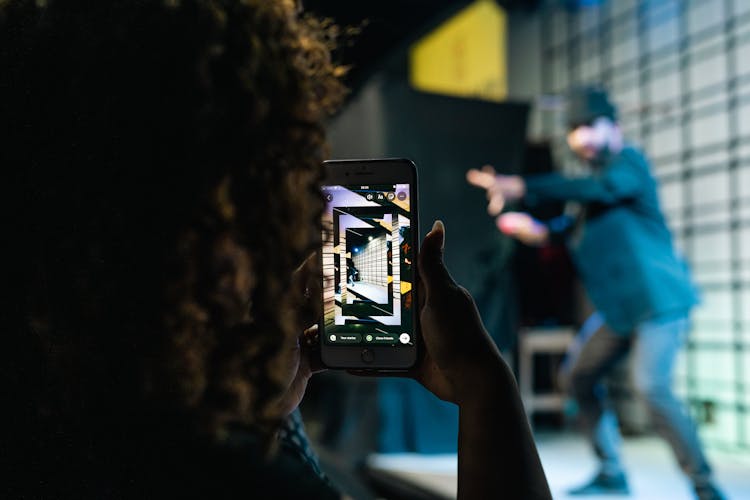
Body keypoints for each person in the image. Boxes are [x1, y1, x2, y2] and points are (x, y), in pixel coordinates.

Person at [1, 1, 551, 498]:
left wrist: (264, 418)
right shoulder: (205, 467)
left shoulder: (51, 414)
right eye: (256, 186)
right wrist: (486, 393)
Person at [467, 86, 725, 500]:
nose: (581, 137)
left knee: (652, 388)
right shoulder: (593, 188)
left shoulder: (628, 166)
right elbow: (574, 227)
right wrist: (539, 231)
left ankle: (706, 487)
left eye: (589, 126)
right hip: (619, 311)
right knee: (579, 376)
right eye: (573, 129)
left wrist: (523, 186)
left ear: (613, 126)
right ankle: (610, 472)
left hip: (659, 303)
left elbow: (599, 191)